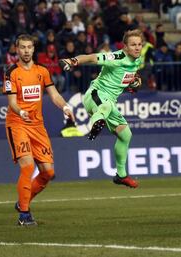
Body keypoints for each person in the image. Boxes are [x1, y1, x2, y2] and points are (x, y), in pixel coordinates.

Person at [3, 34, 75, 226]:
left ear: (34, 49)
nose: (26, 51)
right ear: (17, 49)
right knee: (27, 166)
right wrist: (21, 111)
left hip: (37, 126)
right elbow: (11, 103)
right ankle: (24, 215)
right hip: (17, 123)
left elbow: (54, 94)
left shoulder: (42, 71)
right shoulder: (11, 72)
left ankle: (22, 202)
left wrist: (66, 107)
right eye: (22, 47)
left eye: (29, 47)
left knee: (48, 173)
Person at [59, 29, 144, 189]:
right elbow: (92, 57)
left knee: (126, 135)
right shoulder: (117, 57)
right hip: (95, 95)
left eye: (139, 44)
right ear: (125, 47)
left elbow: (130, 78)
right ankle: (97, 122)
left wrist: (134, 83)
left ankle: (121, 175)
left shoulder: (137, 60)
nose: (137, 47)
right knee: (105, 106)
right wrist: (72, 61)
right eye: (133, 45)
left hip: (110, 102)